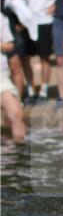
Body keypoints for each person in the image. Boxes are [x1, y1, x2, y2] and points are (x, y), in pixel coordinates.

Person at [19, 0, 56, 103]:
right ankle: (30, 88)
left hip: (44, 19)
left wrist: (53, 5)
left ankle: (44, 90)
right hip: (27, 20)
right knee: (25, 57)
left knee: (44, 56)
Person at [1, 13, 27, 142]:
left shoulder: (1, 17)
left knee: (17, 114)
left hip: (2, 78)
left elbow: (10, 45)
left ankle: (18, 156)